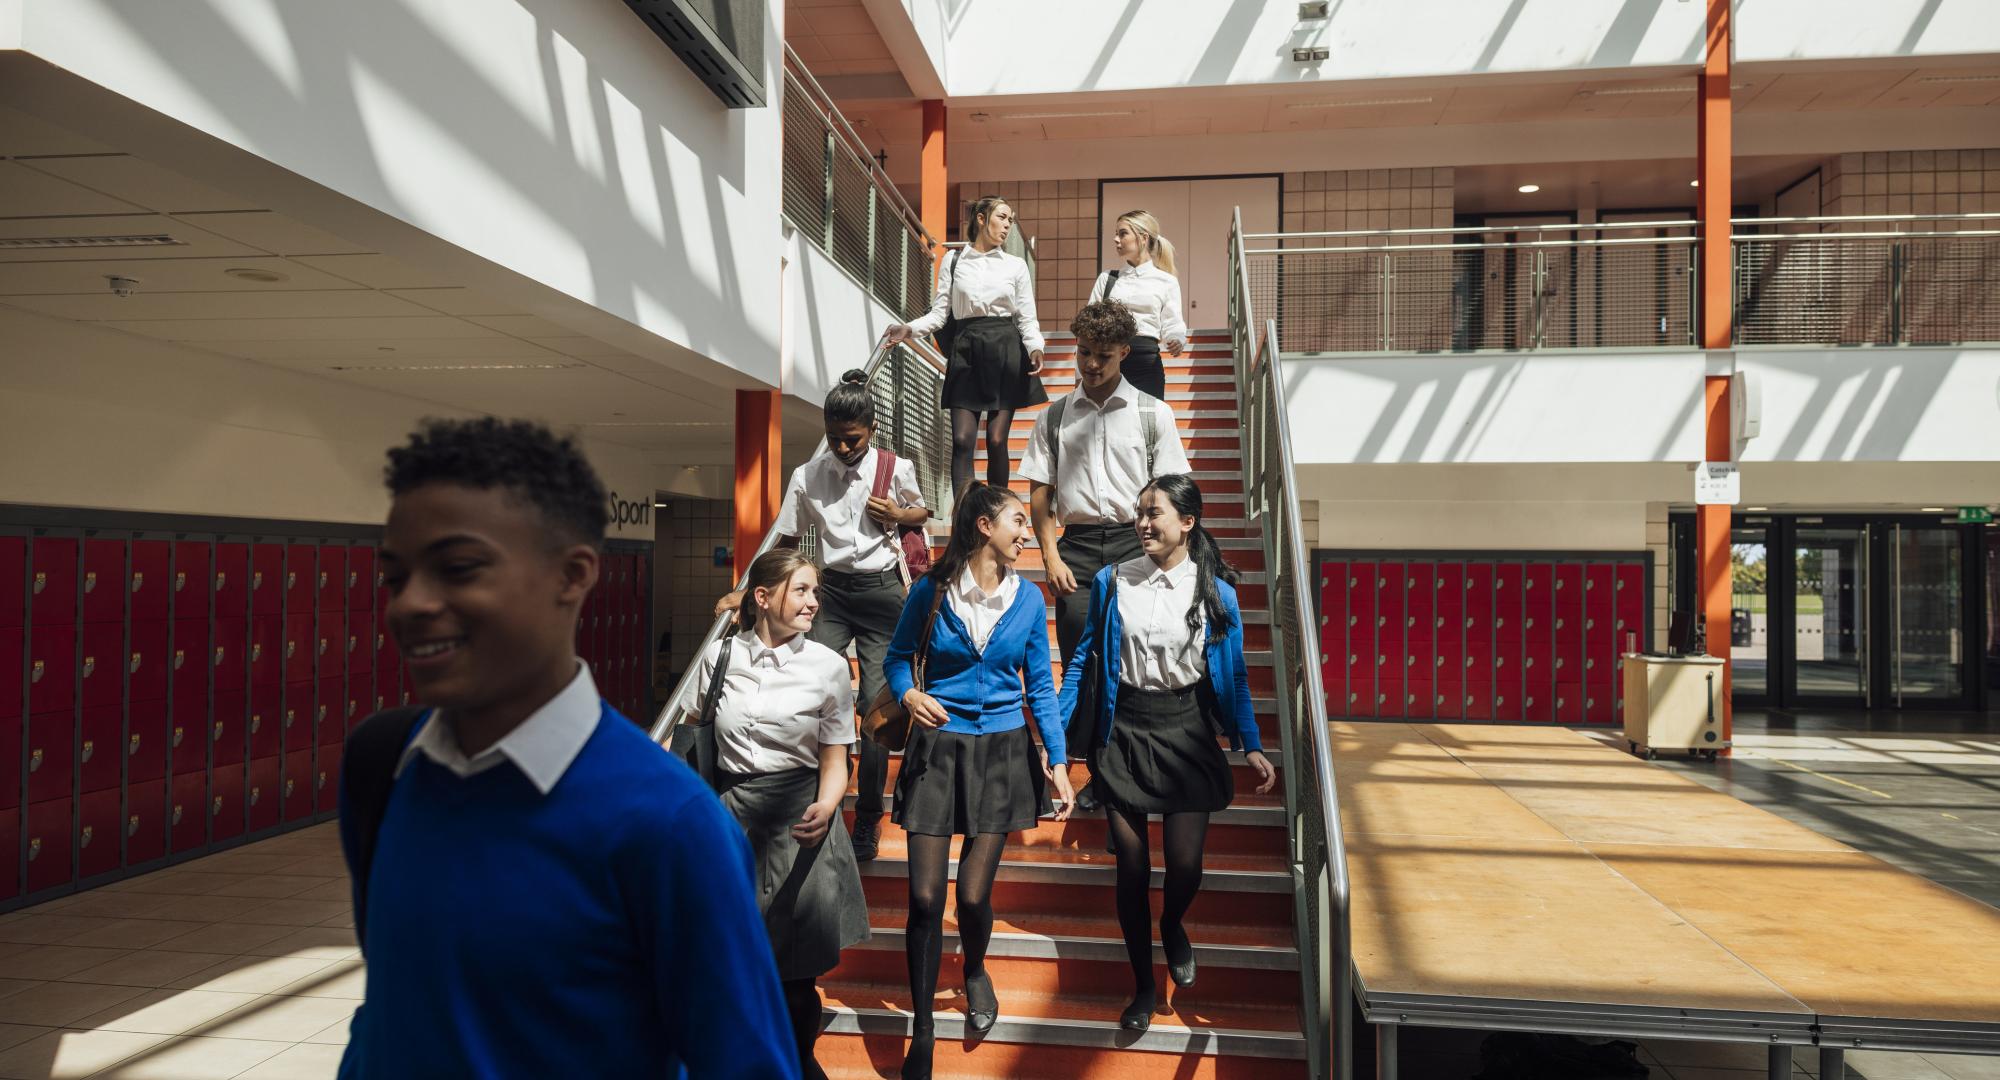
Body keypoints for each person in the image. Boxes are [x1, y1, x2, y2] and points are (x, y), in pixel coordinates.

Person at [342, 417, 796, 1079]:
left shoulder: (667, 824)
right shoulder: (382, 765)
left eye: (458, 569)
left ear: (573, 575)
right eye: (395, 577)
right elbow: (398, 1008)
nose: (409, 604)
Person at [1057, 473, 1277, 1032]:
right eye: (1139, 512)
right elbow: (1083, 660)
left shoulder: (1215, 590)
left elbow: (1238, 676)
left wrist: (1249, 743)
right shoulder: (1111, 581)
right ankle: (1142, 987)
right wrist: (1057, 739)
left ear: (1188, 522)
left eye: (1154, 513)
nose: (1143, 523)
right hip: (1123, 728)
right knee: (1132, 866)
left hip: (1185, 730)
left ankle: (1173, 922)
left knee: (1184, 863)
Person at [883, 482, 1077, 1080]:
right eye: (1019, 522)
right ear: (983, 527)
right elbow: (895, 658)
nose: (1030, 532)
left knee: (970, 894)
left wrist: (1058, 761)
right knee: (922, 898)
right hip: (937, 749)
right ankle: (921, 1031)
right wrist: (910, 693)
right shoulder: (931, 591)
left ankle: (973, 968)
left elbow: (1040, 686)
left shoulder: (1028, 598)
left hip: (1001, 753)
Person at [714, 368, 929, 862]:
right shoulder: (807, 476)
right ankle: (814, 801)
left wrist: (899, 515)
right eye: (834, 439)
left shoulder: (895, 467)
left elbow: (922, 512)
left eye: (852, 439)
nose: (843, 448)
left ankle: (869, 817)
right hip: (830, 593)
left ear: (871, 429)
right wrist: (747, 590)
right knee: (807, 688)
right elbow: (785, 541)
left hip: (883, 592)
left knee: (876, 713)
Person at [688, 549, 871, 1080]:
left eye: (816, 591)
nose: (815, 601)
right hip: (730, 821)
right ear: (763, 598)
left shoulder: (829, 667)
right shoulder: (720, 657)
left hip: (801, 823)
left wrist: (828, 803)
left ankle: (796, 1064)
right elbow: (696, 735)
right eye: (802, 590)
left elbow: (837, 760)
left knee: (794, 979)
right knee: (731, 963)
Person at [1019, 299, 1190, 717]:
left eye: (1104, 355)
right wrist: (1050, 555)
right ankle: (1086, 761)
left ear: (1125, 353)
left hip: (1136, 546)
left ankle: (1121, 765)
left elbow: (1171, 493)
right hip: (1074, 550)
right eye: (1084, 353)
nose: (1092, 364)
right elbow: (1041, 492)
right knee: (1079, 660)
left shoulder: (1154, 413)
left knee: (1133, 659)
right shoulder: (1054, 417)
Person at [887, 195, 1047, 496]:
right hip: (967, 349)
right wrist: (909, 329)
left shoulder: (1015, 266)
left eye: (1011, 220)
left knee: (998, 440)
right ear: (982, 218)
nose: (1008, 225)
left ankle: (998, 509)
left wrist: (1035, 347)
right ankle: (964, 513)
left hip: (1005, 349)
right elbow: (939, 313)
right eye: (1002, 217)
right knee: (962, 439)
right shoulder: (954, 260)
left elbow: (1026, 316)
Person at [1087, 210, 1187, 401]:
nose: (1116, 239)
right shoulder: (1106, 279)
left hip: (1146, 365)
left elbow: (1173, 322)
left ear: (1143, 238)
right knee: (1106, 426)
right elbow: (1088, 326)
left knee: (1146, 426)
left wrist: (1176, 339)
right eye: (1116, 234)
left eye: (1122, 233)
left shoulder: (1166, 281)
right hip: (1108, 361)